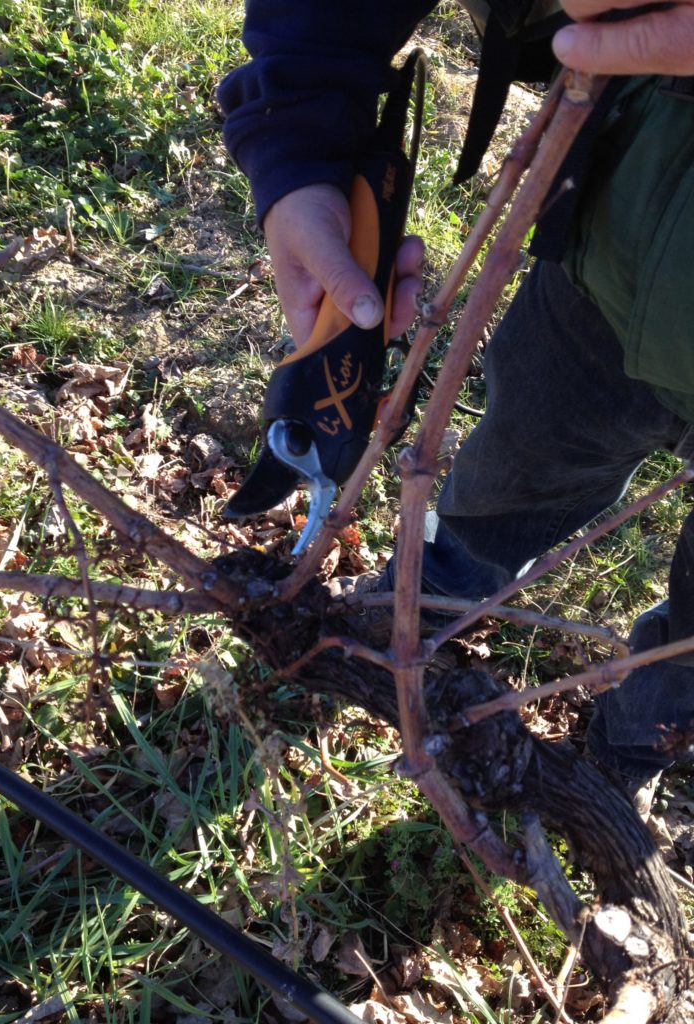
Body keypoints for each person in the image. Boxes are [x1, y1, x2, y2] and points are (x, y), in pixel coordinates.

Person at [218, 0, 694, 813]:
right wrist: (298, 136)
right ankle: (433, 584)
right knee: (516, 464)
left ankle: (628, 752)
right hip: (614, 266)